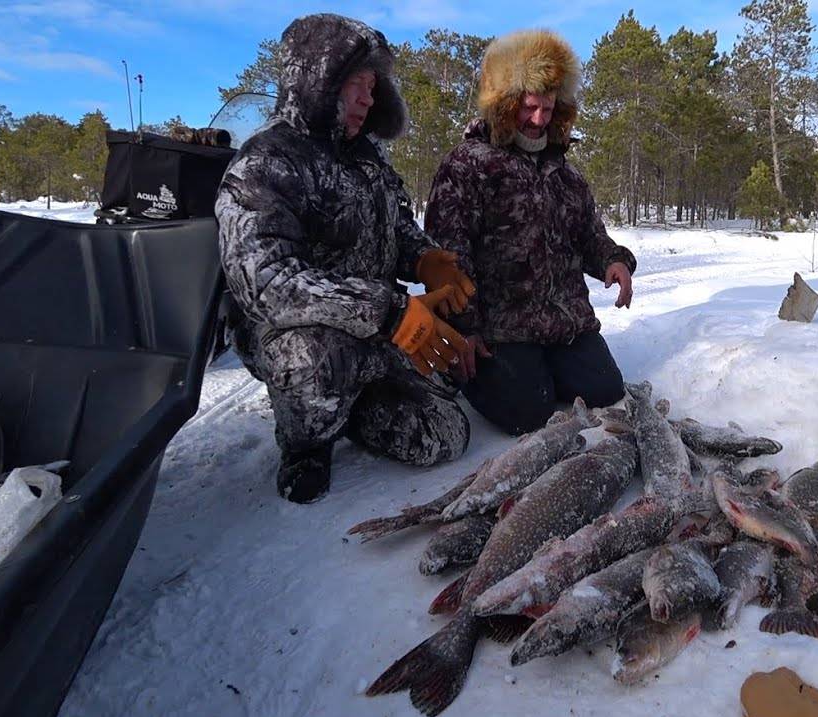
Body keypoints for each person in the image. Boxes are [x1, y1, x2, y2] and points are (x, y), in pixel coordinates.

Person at [216, 14, 476, 503]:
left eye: (373, 85)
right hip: (297, 334)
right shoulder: (265, 164)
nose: (367, 97)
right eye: (354, 82)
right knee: (317, 362)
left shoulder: (367, 159)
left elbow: (396, 232)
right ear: (315, 80)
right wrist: (392, 312)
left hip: (374, 333)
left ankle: (350, 410)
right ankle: (306, 443)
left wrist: (425, 261)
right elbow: (268, 285)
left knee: (446, 433)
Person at [425, 29, 638, 436]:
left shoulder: (566, 172)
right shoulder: (468, 165)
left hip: (562, 320)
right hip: (498, 326)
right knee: (527, 413)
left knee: (605, 389)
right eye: (528, 107)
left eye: (548, 108)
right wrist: (464, 329)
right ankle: (458, 372)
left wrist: (613, 260)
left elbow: (590, 234)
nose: (538, 120)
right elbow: (448, 256)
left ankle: (539, 368)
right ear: (504, 105)